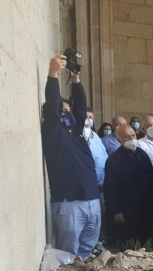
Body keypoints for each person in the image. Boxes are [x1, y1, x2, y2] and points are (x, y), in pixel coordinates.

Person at [42, 55, 101, 258]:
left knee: (86, 254)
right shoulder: (53, 133)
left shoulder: (75, 131)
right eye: (62, 111)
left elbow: (81, 107)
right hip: (69, 204)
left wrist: (75, 79)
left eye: (68, 111)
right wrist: (53, 73)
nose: (66, 114)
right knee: (67, 257)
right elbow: (52, 105)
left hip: (92, 200)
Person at [104, 124, 153, 248]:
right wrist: (117, 211)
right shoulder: (114, 160)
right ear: (119, 140)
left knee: (148, 243)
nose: (131, 139)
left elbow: (151, 178)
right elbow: (111, 188)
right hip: (128, 210)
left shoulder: (141, 153)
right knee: (130, 245)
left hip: (147, 207)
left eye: (133, 135)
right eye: (127, 137)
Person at [83, 114, 107, 192]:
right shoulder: (72, 141)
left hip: (100, 186)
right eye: (84, 126)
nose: (88, 119)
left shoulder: (96, 138)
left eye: (90, 117)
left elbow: (105, 160)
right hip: (84, 189)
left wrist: (101, 183)